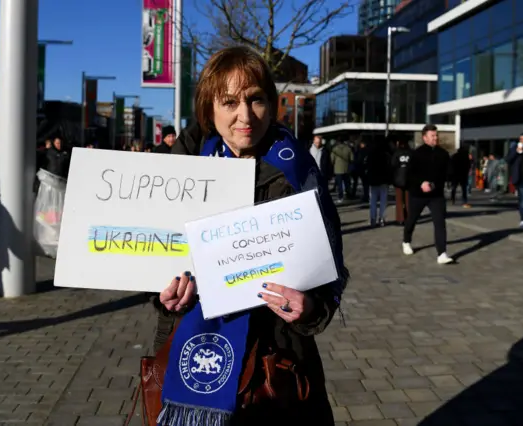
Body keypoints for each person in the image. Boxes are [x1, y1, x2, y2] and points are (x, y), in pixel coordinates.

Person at [152, 46, 348, 426]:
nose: (244, 116)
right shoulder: (181, 166)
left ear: (271, 103)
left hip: (276, 357)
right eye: (229, 102)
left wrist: (309, 308)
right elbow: (154, 260)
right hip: (189, 349)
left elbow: (327, 275)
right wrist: (163, 296)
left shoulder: (299, 172)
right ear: (210, 107)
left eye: (255, 99)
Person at [402, 124, 453, 264]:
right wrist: (421, 183)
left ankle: (442, 253)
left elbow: (448, 173)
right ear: (425, 138)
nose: (435, 138)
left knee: (439, 222)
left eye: (436, 135)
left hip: (436, 195)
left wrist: (439, 182)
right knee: (412, 219)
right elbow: (410, 175)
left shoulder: (443, 154)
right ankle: (406, 240)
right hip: (418, 194)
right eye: (432, 136)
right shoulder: (416, 153)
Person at [365, 140, 391, 227]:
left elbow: (367, 167)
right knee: (383, 201)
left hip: (373, 181)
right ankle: (382, 218)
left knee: (373, 201)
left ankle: (373, 219)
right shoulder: (386, 155)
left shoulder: (370, 155)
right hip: (383, 180)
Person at [391, 140, 412, 225]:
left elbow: (392, 165)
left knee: (399, 200)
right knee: (408, 200)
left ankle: (400, 218)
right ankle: (409, 218)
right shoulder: (411, 153)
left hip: (398, 180)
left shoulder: (396, 153)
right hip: (409, 179)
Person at [330, 138, 353, 203]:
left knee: (339, 185)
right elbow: (352, 158)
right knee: (347, 183)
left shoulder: (334, 149)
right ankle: (348, 195)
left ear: (337, 142)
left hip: (338, 169)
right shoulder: (348, 149)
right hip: (346, 169)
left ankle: (340, 197)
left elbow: (332, 160)